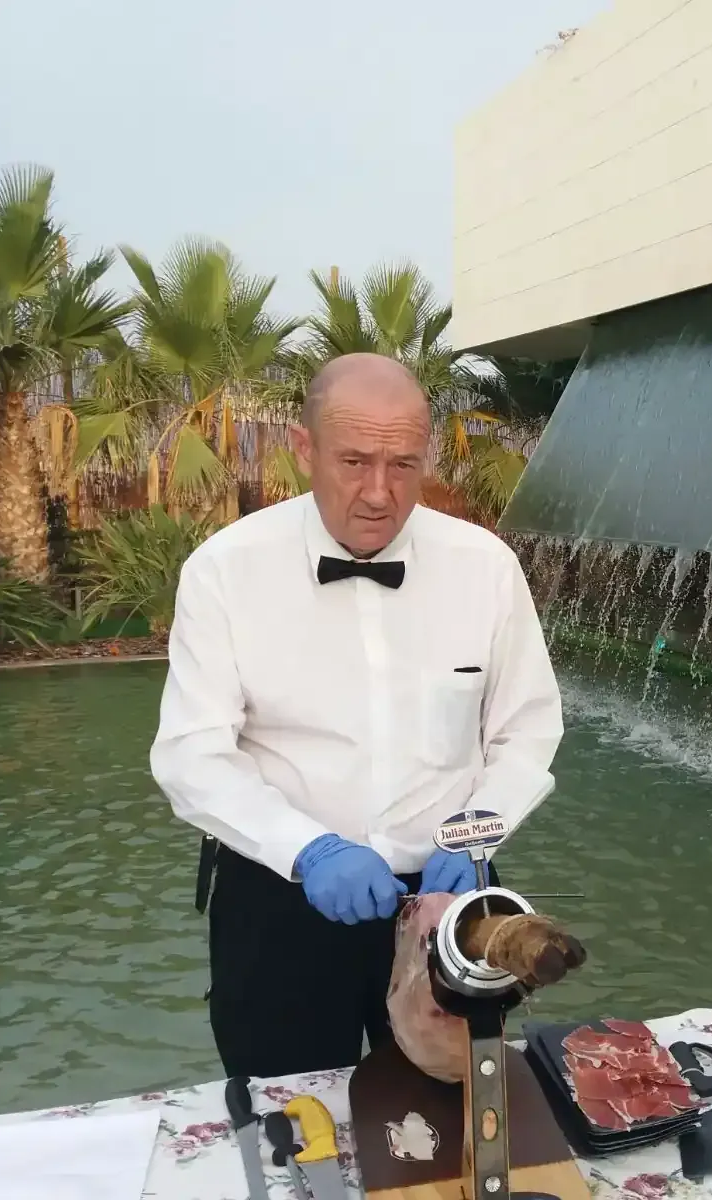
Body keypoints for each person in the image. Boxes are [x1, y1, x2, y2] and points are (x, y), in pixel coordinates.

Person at [150, 352, 563, 1079]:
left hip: (449, 893)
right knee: (287, 1106)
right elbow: (192, 755)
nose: (380, 492)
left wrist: (479, 832)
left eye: (403, 464)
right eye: (354, 460)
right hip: (281, 898)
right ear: (304, 449)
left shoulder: (486, 566)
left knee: (456, 1104)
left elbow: (526, 730)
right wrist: (310, 851)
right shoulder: (225, 569)